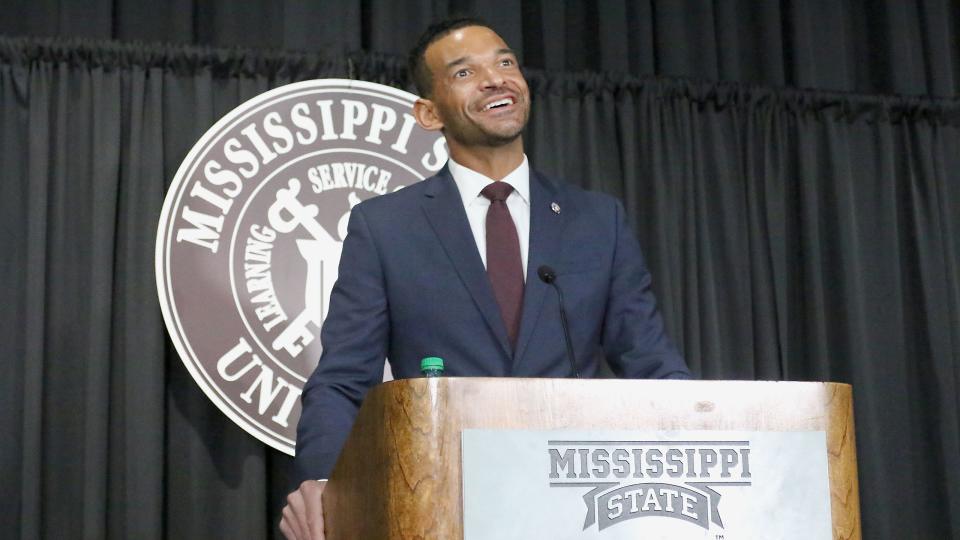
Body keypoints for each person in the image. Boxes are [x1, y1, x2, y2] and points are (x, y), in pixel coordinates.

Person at [279, 17, 691, 540]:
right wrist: (323, 479)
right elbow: (343, 380)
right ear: (429, 113)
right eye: (465, 72)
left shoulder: (597, 220)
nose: (496, 78)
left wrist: (700, 440)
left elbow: (652, 362)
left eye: (505, 62)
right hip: (440, 498)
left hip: (581, 503)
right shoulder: (385, 227)